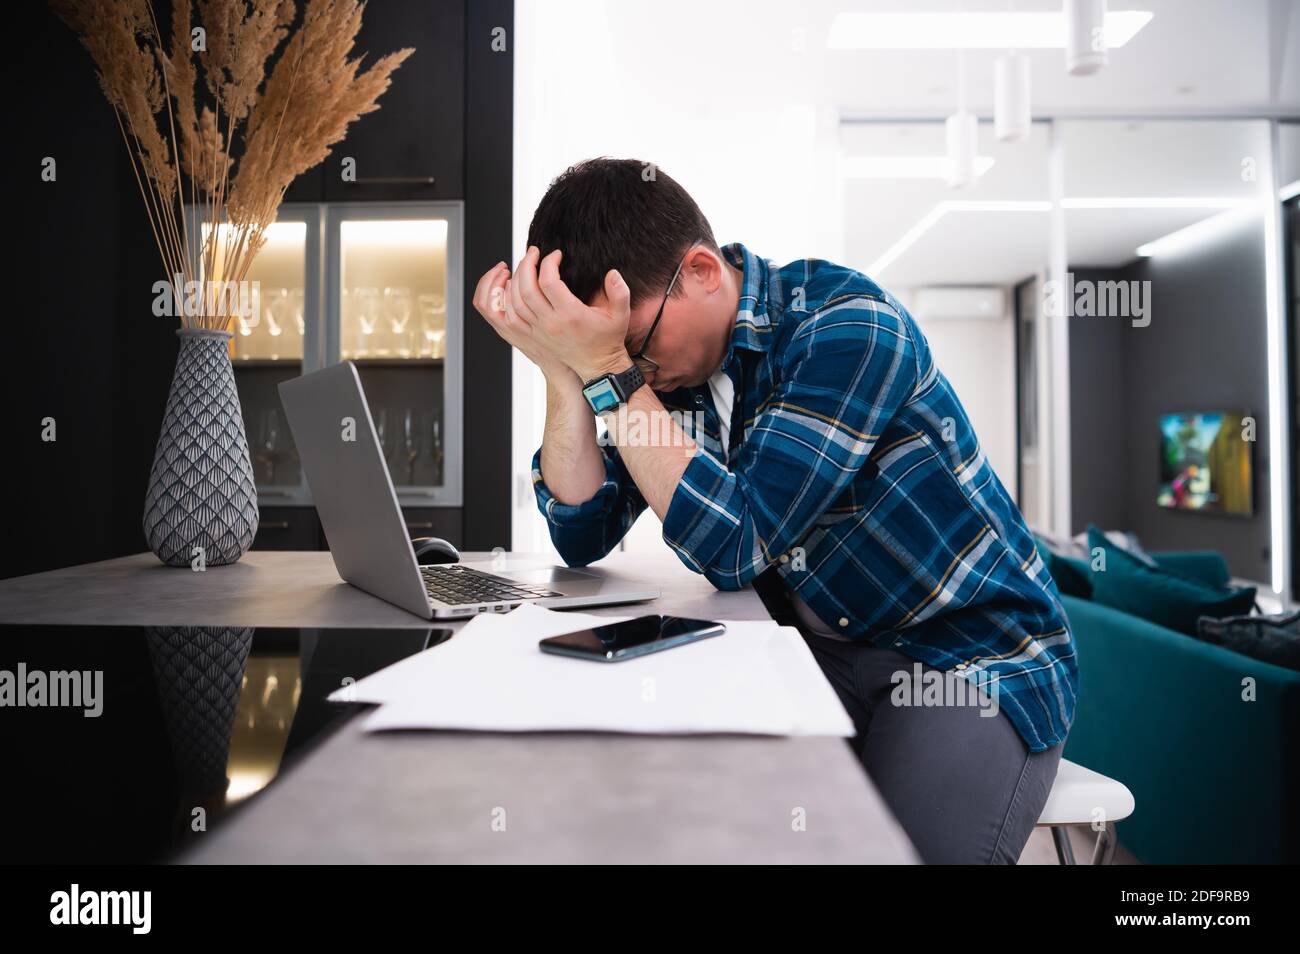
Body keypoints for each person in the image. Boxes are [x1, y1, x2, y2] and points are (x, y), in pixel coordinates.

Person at [471, 157, 1077, 864]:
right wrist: (562, 372)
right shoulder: (666, 372)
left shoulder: (847, 328)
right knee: (694, 815)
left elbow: (739, 542)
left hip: (966, 652)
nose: (632, 370)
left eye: (631, 347)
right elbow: (583, 528)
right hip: (816, 647)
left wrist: (610, 371)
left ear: (700, 271)